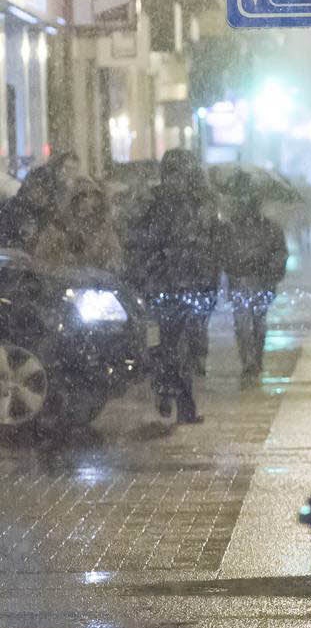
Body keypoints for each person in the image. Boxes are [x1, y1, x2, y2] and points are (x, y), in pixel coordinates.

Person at [125, 149, 224, 424]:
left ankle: (172, 394)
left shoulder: (200, 203)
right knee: (169, 345)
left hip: (192, 285)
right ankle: (178, 399)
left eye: (181, 173)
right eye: (172, 173)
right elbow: (139, 244)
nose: (176, 179)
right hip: (165, 286)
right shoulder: (154, 204)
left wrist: (209, 280)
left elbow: (214, 245)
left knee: (184, 347)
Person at [223, 192, 288, 384]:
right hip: (241, 281)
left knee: (257, 323)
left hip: (261, 281)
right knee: (244, 324)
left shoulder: (270, 228)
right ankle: (249, 362)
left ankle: (254, 359)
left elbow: (280, 253)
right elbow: (223, 254)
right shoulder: (231, 229)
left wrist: (268, 268)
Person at [31, 177, 123, 271]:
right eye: (82, 196)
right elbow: (41, 260)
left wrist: (107, 264)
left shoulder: (105, 231)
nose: (86, 201)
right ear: (73, 201)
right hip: (61, 280)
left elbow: (115, 262)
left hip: (96, 282)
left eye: (92, 196)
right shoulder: (58, 227)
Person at [0, 152, 79, 253]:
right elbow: (5, 239)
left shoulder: (53, 213)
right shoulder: (12, 208)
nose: (40, 193)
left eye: (45, 190)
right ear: (28, 187)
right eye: (36, 187)